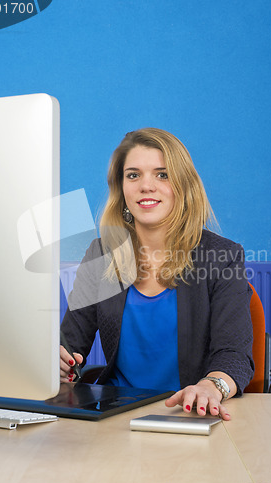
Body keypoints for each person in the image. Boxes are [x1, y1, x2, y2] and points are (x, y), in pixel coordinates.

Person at [60, 128, 254, 420]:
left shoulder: (222, 257)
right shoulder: (101, 254)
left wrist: (211, 386)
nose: (146, 186)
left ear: (183, 185)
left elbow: (234, 353)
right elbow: (70, 343)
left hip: (187, 413)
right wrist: (56, 363)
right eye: (133, 175)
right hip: (112, 416)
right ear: (121, 187)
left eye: (162, 174)